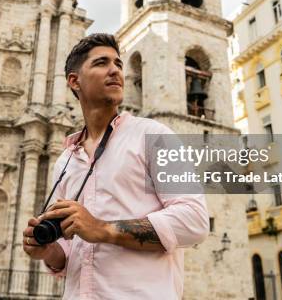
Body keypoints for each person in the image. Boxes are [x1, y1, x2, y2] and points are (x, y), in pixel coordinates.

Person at [22, 33, 210, 299]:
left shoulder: (155, 135)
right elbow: (69, 251)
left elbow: (194, 221)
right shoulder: (65, 161)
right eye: (101, 63)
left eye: (119, 64)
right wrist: (47, 251)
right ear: (74, 81)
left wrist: (103, 229)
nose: (115, 71)